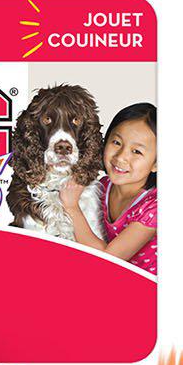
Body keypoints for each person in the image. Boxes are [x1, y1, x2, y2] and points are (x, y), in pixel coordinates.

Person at [61, 102, 157, 273]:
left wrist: (72, 207)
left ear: (156, 164)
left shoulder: (153, 208)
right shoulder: (104, 185)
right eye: (117, 142)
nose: (121, 157)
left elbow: (107, 258)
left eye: (136, 151)